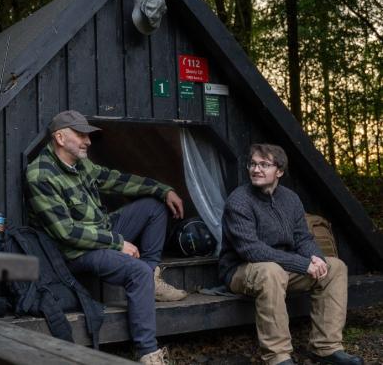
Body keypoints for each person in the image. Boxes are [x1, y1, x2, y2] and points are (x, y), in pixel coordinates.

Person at [25, 110, 187, 365]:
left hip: (103, 229)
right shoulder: (41, 175)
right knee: (137, 273)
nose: (88, 141)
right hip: (75, 252)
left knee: (154, 207)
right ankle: (148, 353)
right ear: (59, 137)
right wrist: (118, 243)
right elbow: (66, 233)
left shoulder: (81, 164)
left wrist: (162, 189)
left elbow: (115, 180)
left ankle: (151, 273)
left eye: (88, 135)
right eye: (81, 135)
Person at [218, 143, 364, 365]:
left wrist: (316, 259)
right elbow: (252, 250)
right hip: (242, 270)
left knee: (335, 268)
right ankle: (278, 356)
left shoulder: (291, 198)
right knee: (271, 271)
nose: (256, 169)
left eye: (264, 165)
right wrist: (302, 264)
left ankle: (326, 347)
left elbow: (302, 238)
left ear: (279, 171)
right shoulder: (239, 200)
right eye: (253, 164)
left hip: (282, 267)